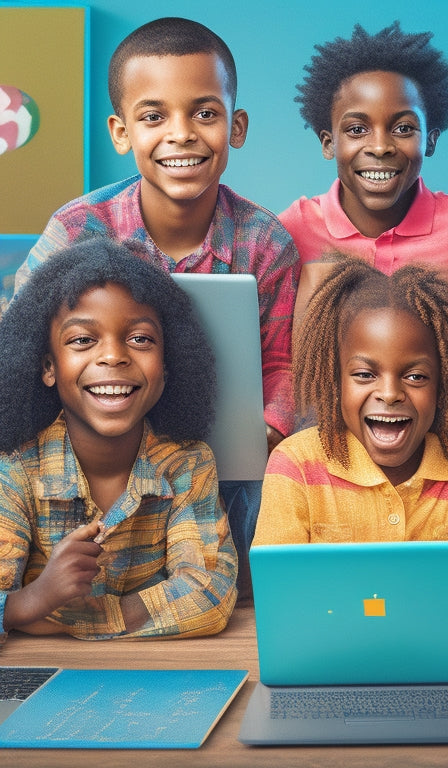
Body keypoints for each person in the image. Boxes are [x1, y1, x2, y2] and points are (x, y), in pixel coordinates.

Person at [13, 17, 299, 597]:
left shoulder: (267, 243)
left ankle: (230, 599)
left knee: (273, 490)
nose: (182, 134)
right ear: (121, 132)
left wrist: (264, 432)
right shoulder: (76, 231)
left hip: (222, 473)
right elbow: (23, 350)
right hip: (92, 455)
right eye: (153, 116)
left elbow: (284, 364)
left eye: (205, 112)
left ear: (235, 126)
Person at [0, 239, 237, 641]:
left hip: (154, 680)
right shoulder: (16, 468)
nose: (113, 356)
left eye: (140, 339)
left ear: (166, 367)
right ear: (48, 367)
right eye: (82, 340)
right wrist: (35, 598)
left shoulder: (186, 463)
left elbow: (208, 596)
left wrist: (33, 615)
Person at [280, 21, 448, 326]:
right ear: (328, 143)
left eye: (403, 128)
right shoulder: (291, 231)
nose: (380, 147)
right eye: (357, 129)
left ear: (430, 140)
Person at [253, 258, 448, 544]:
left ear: (443, 388)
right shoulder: (294, 465)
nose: (390, 393)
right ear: (335, 382)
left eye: (416, 377)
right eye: (365, 375)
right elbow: (280, 585)